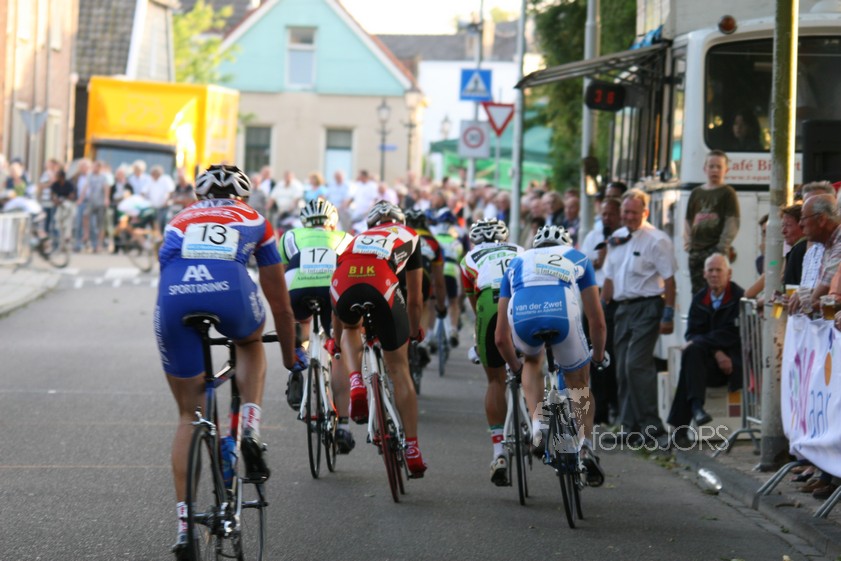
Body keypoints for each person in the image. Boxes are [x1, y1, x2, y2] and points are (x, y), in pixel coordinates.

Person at [154, 164, 303, 555]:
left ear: (200, 195)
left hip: (175, 297)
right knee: (249, 343)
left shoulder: (179, 219)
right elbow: (281, 305)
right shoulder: (256, 220)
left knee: (189, 415)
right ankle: (250, 429)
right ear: (244, 195)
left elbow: (166, 269)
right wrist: (291, 357)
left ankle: (184, 527)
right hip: (230, 292)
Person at [495, 224, 608, 485]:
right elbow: (597, 322)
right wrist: (598, 357)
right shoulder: (577, 257)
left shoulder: (516, 262)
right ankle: (585, 446)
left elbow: (500, 337)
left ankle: (537, 425)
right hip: (561, 312)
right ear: (566, 243)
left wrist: (516, 368)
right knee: (578, 381)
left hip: (524, 316)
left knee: (532, 361)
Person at [330, 201, 428, 476]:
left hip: (344, 281)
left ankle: (356, 382)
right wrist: (413, 330)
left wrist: (337, 341)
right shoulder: (409, 235)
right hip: (381, 283)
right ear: (400, 222)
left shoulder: (355, 238)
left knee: (350, 328)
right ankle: (412, 449)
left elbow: (336, 310)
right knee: (399, 370)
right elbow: (415, 298)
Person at [278, 198, 356, 453]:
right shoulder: (345, 237)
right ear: (332, 222)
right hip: (331, 284)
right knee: (338, 352)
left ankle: (297, 362)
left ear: (305, 223)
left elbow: (281, 272)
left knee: (301, 320)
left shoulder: (290, 237)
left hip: (297, 281)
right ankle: (343, 426)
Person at [602, 189, 677, 443]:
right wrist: (600, 310)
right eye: (625, 211)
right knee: (622, 368)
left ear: (645, 212)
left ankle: (652, 427)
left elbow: (670, 280)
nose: (629, 216)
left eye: (634, 212)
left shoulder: (657, 240)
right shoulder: (617, 238)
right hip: (622, 308)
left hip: (648, 306)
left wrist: (668, 315)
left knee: (636, 364)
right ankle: (629, 427)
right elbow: (609, 278)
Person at [459, 218, 524, 485]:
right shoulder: (520, 250)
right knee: (532, 364)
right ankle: (539, 428)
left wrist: (481, 340)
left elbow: (475, 304)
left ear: (475, 240)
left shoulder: (468, 259)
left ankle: (499, 451)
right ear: (505, 237)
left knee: (495, 380)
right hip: (522, 302)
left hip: (490, 302)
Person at [667, 253, 744, 440]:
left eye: (719, 270)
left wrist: (711, 347)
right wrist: (716, 351)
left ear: (729, 274)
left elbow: (732, 334)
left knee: (691, 356)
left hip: (731, 364)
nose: (714, 274)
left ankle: (682, 426)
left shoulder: (739, 297)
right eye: (710, 270)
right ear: (704, 274)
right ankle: (695, 409)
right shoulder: (699, 298)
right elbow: (691, 334)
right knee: (691, 353)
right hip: (706, 363)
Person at [579, 197, 622, 425]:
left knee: (611, 353)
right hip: (593, 296)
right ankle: (600, 408)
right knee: (594, 351)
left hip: (615, 299)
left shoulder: (625, 237)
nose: (607, 218)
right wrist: (599, 261)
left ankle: (614, 404)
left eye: (611, 214)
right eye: (604, 214)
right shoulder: (593, 236)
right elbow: (582, 266)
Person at [684, 150, 740, 294]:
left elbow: (732, 223)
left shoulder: (728, 193)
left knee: (717, 290)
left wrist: (721, 248)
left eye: (719, 167)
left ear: (726, 170)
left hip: (715, 249)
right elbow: (688, 220)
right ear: (705, 168)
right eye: (711, 166)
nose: (715, 170)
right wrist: (689, 243)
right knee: (697, 292)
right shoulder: (696, 192)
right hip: (696, 251)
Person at [788, 193, 841, 315]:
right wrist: (801, 297)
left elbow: (824, 289)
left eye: (803, 218)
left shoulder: (838, 242)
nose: (800, 224)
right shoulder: (827, 244)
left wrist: (804, 300)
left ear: (821, 220)